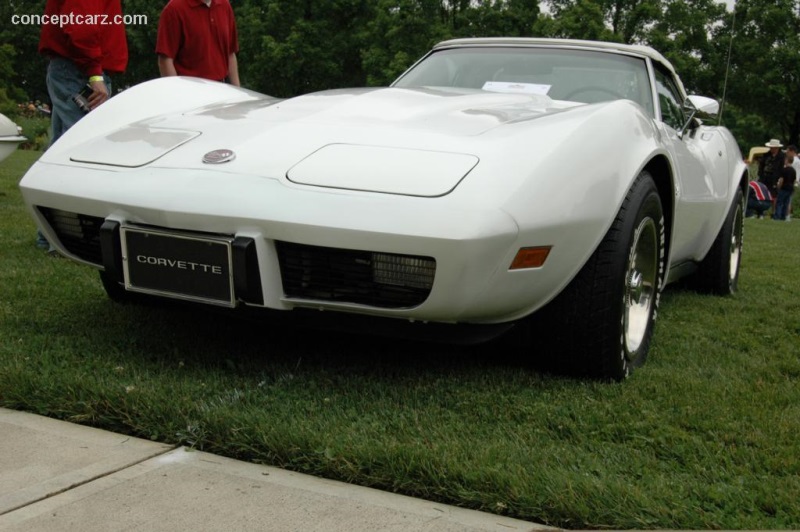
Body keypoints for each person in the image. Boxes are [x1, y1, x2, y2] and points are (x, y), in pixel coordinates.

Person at [36, 0, 128, 251]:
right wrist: (95, 73)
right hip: (79, 71)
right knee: (86, 153)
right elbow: (81, 26)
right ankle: (76, 237)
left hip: (72, 69)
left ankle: (51, 237)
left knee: (60, 153)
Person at [155, 0, 240, 86]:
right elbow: (165, 60)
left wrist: (238, 92)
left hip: (221, 89)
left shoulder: (224, 5)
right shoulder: (174, 9)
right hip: (190, 90)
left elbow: (230, 53)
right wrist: (177, 94)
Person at [758, 139, 785, 212]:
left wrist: (779, 178)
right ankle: (761, 211)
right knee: (762, 193)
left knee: (774, 195)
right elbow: (761, 165)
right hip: (765, 176)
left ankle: (773, 212)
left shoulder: (781, 156)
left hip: (775, 178)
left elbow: (781, 168)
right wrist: (760, 175)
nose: (772, 149)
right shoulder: (766, 154)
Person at [774, 153, 797, 221]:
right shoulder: (793, 170)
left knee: (780, 202)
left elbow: (781, 179)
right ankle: (783, 216)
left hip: (784, 188)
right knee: (786, 203)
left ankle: (777, 216)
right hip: (790, 188)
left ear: (786, 160)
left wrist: (779, 186)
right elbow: (794, 180)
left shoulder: (784, 170)